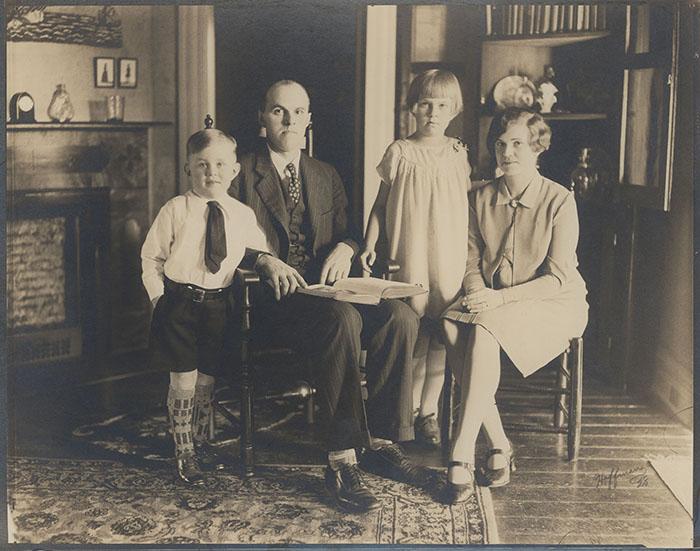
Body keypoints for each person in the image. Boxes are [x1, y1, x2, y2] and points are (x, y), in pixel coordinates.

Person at [230, 80, 423, 513]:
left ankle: (382, 440)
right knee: (343, 320)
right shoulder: (239, 172)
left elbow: (352, 231)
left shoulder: (325, 174)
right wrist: (262, 259)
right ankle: (340, 460)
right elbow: (219, 236)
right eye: (279, 111)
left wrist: (347, 248)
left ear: (309, 120)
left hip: (328, 291)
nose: (290, 120)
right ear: (263, 119)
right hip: (271, 300)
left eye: (299, 112)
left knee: (401, 317)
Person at [440, 107, 588, 504]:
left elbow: (557, 277)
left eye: (518, 144)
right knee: (450, 324)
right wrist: (476, 291)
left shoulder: (559, 200)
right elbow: (470, 262)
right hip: (494, 298)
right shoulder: (481, 197)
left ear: (538, 147)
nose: (507, 152)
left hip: (550, 301)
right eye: (501, 144)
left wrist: (498, 299)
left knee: (485, 330)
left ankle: (461, 452)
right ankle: (500, 444)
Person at [142, 127, 268, 485]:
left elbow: (258, 253)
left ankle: (200, 440)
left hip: (218, 305)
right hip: (179, 303)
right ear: (188, 170)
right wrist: (157, 298)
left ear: (234, 171)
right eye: (201, 164)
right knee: (183, 377)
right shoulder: (176, 209)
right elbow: (151, 257)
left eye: (219, 164)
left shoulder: (241, 214)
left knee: (207, 378)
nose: (211, 172)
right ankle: (184, 451)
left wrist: (268, 264)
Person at [360, 69, 471, 449]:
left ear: (453, 109)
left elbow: (465, 208)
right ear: (412, 108)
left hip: (448, 256)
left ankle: (429, 413)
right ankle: (403, 411)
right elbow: (379, 206)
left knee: (441, 335)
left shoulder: (458, 153)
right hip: (409, 255)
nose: (433, 113)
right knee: (413, 335)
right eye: (425, 104)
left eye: (442, 105)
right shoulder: (399, 152)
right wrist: (370, 243)